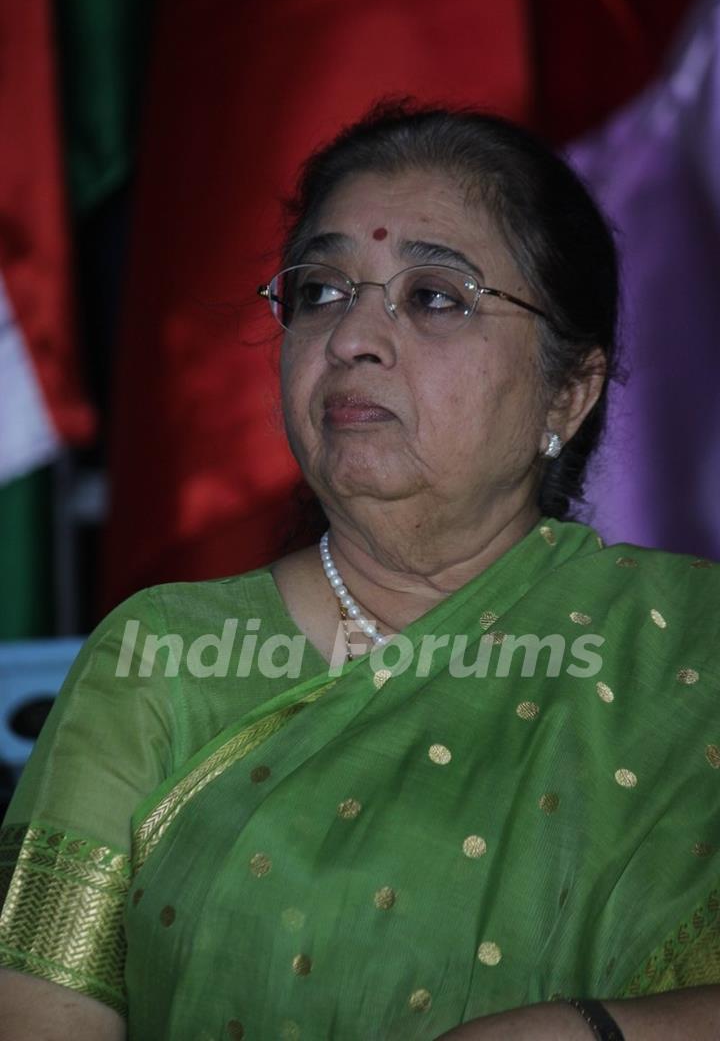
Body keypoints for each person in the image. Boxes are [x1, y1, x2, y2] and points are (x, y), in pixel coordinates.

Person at [1, 101, 719, 1041]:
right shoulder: (159, 658)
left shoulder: (692, 647)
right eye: (321, 291)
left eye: (434, 297)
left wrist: (597, 1032)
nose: (352, 339)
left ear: (569, 392)